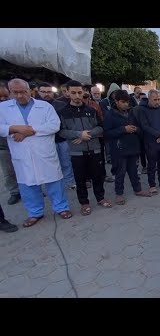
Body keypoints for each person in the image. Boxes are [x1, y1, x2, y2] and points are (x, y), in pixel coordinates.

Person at [0, 79, 72, 227]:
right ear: (10, 92)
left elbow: (54, 125)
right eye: (16, 92)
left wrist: (29, 131)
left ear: (30, 90)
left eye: (23, 91)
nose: (20, 95)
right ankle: (35, 212)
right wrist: (14, 129)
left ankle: (61, 208)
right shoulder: (3, 108)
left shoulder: (44, 106)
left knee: (54, 180)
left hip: (43, 150)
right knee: (27, 183)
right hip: (21, 152)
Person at [58, 80, 112, 215]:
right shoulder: (63, 112)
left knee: (98, 176)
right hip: (77, 152)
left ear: (84, 93)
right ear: (67, 93)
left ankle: (100, 198)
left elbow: (100, 127)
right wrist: (78, 134)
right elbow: (61, 131)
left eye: (79, 92)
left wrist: (88, 134)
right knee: (80, 179)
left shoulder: (91, 110)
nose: (77, 96)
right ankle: (84, 203)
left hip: (95, 149)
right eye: (73, 93)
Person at [104, 90, 151, 204]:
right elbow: (107, 133)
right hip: (119, 149)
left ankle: (138, 189)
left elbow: (140, 127)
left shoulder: (132, 112)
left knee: (134, 171)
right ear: (116, 101)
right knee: (120, 172)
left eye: (127, 102)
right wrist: (123, 129)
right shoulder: (110, 115)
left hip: (133, 147)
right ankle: (119, 194)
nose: (126, 104)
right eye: (123, 102)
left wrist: (136, 129)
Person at [138, 89, 160, 193]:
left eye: (158, 99)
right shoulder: (142, 110)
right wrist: (159, 135)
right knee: (152, 164)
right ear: (149, 99)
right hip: (151, 141)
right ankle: (152, 185)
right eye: (155, 100)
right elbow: (144, 126)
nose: (157, 102)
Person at [0, 84, 21, 205]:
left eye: (5, 96)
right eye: (0, 96)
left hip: (20, 142)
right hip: (3, 147)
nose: (2, 99)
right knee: (9, 171)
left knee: (26, 168)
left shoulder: (15, 108)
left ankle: (33, 189)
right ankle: (14, 192)